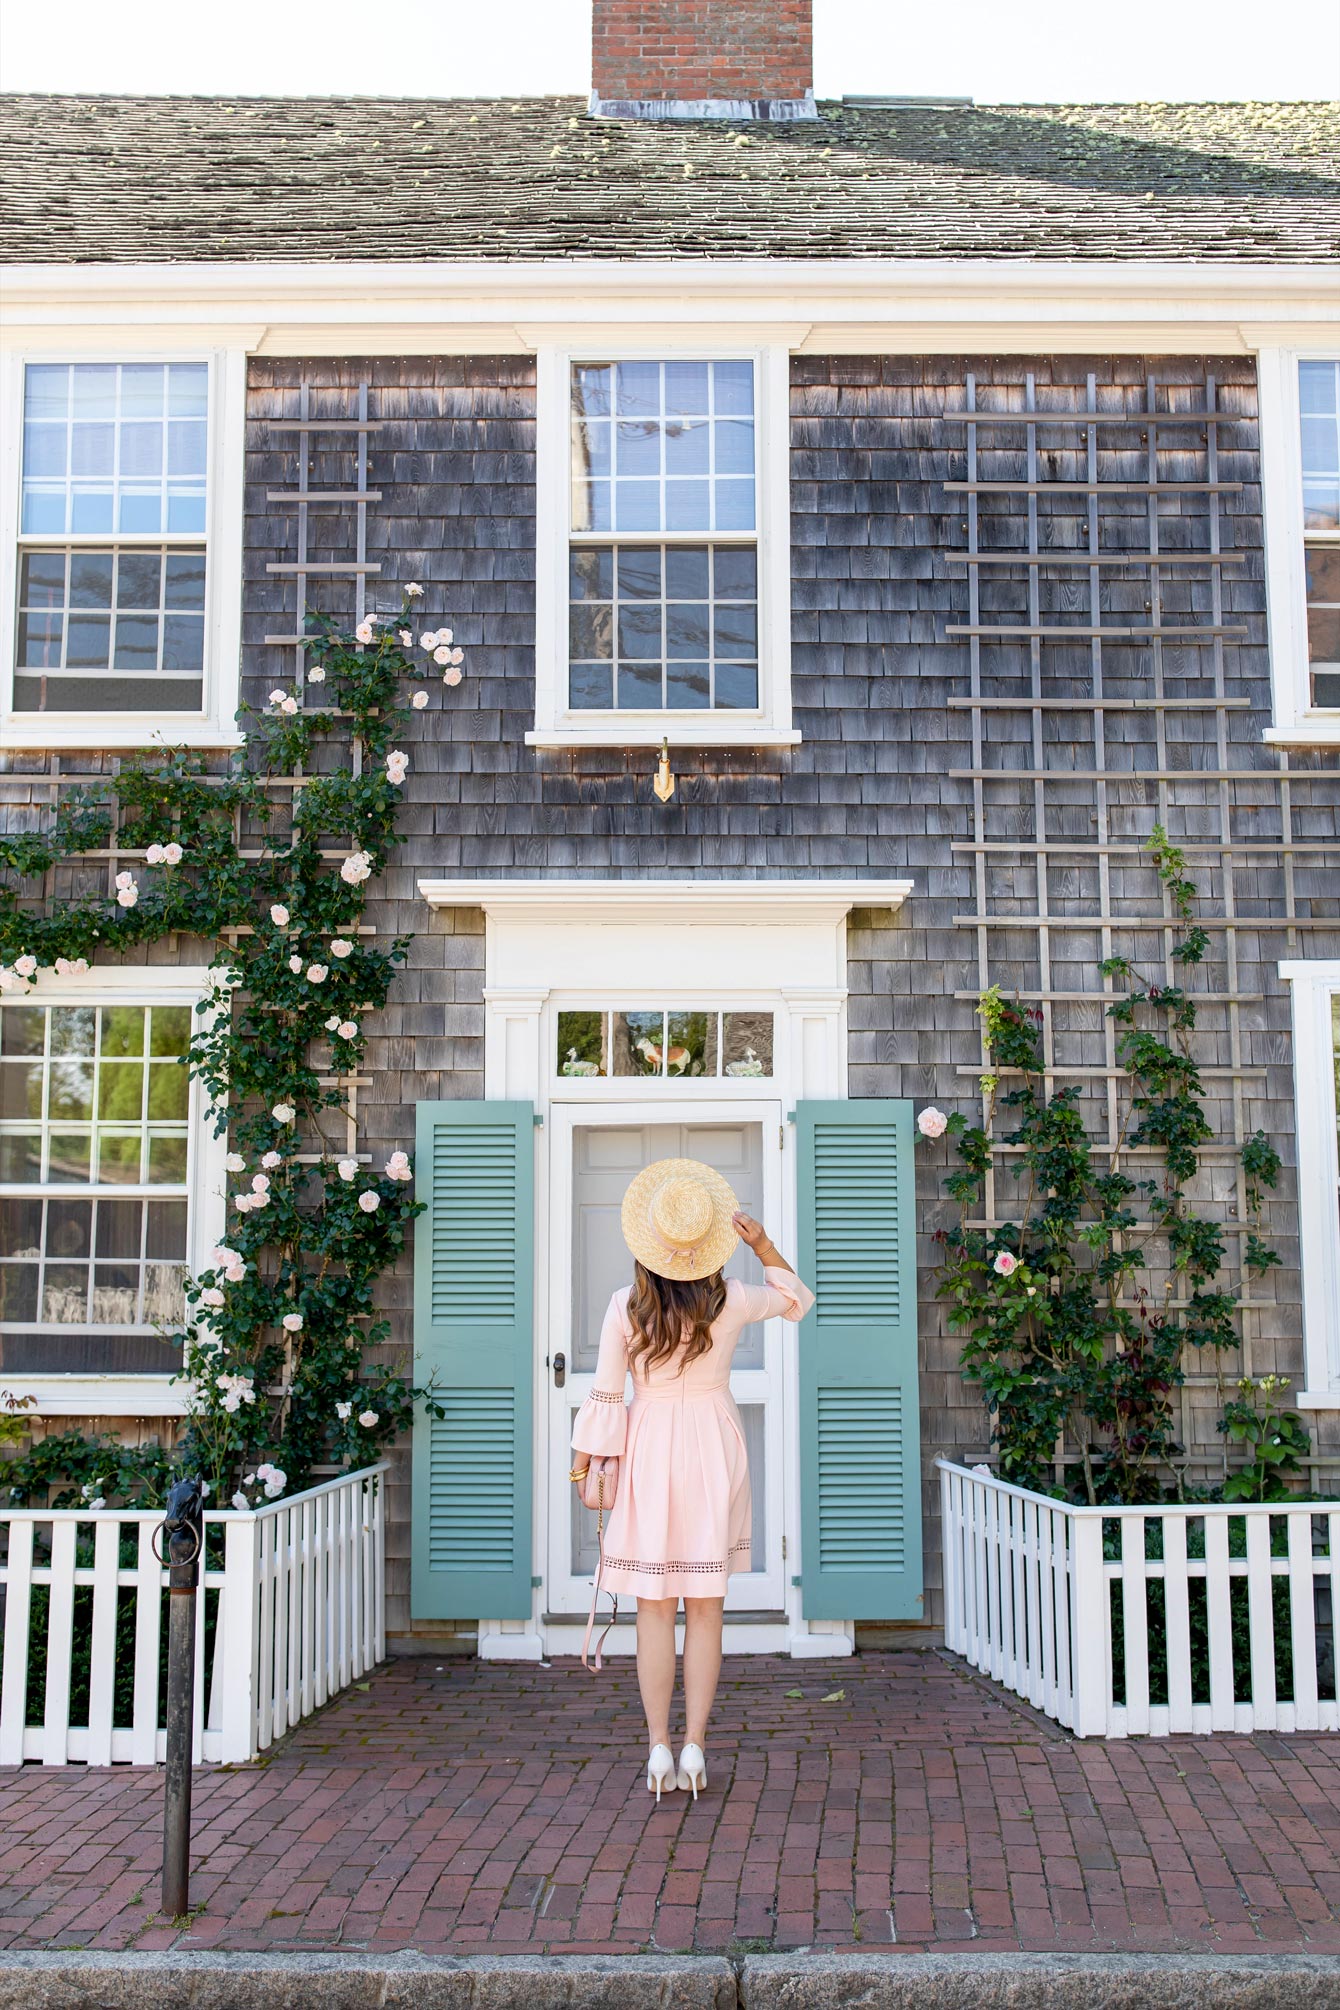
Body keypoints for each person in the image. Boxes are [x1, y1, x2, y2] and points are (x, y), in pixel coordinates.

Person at [569, 1157, 814, 1803]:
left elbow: (603, 1397)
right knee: (706, 1608)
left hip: (649, 1444)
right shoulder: (730, 1299)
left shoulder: (626, 1306)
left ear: (647, 1243)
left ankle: (657, 1749)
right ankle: (696, 1747)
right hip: (713, 1442)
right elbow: (797, 1299)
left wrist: (583, 1466)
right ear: (708, 1244)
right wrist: (760, 1242)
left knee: (655, 1608)